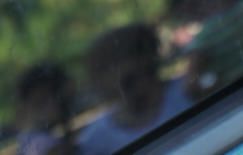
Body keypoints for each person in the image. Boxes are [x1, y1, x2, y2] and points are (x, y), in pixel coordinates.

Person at [75, 25, 191, 155]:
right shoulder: (96, 137)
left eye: (107, 65)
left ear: (145, 56)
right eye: (96, 71)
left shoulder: (190, 91)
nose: (96, 79)